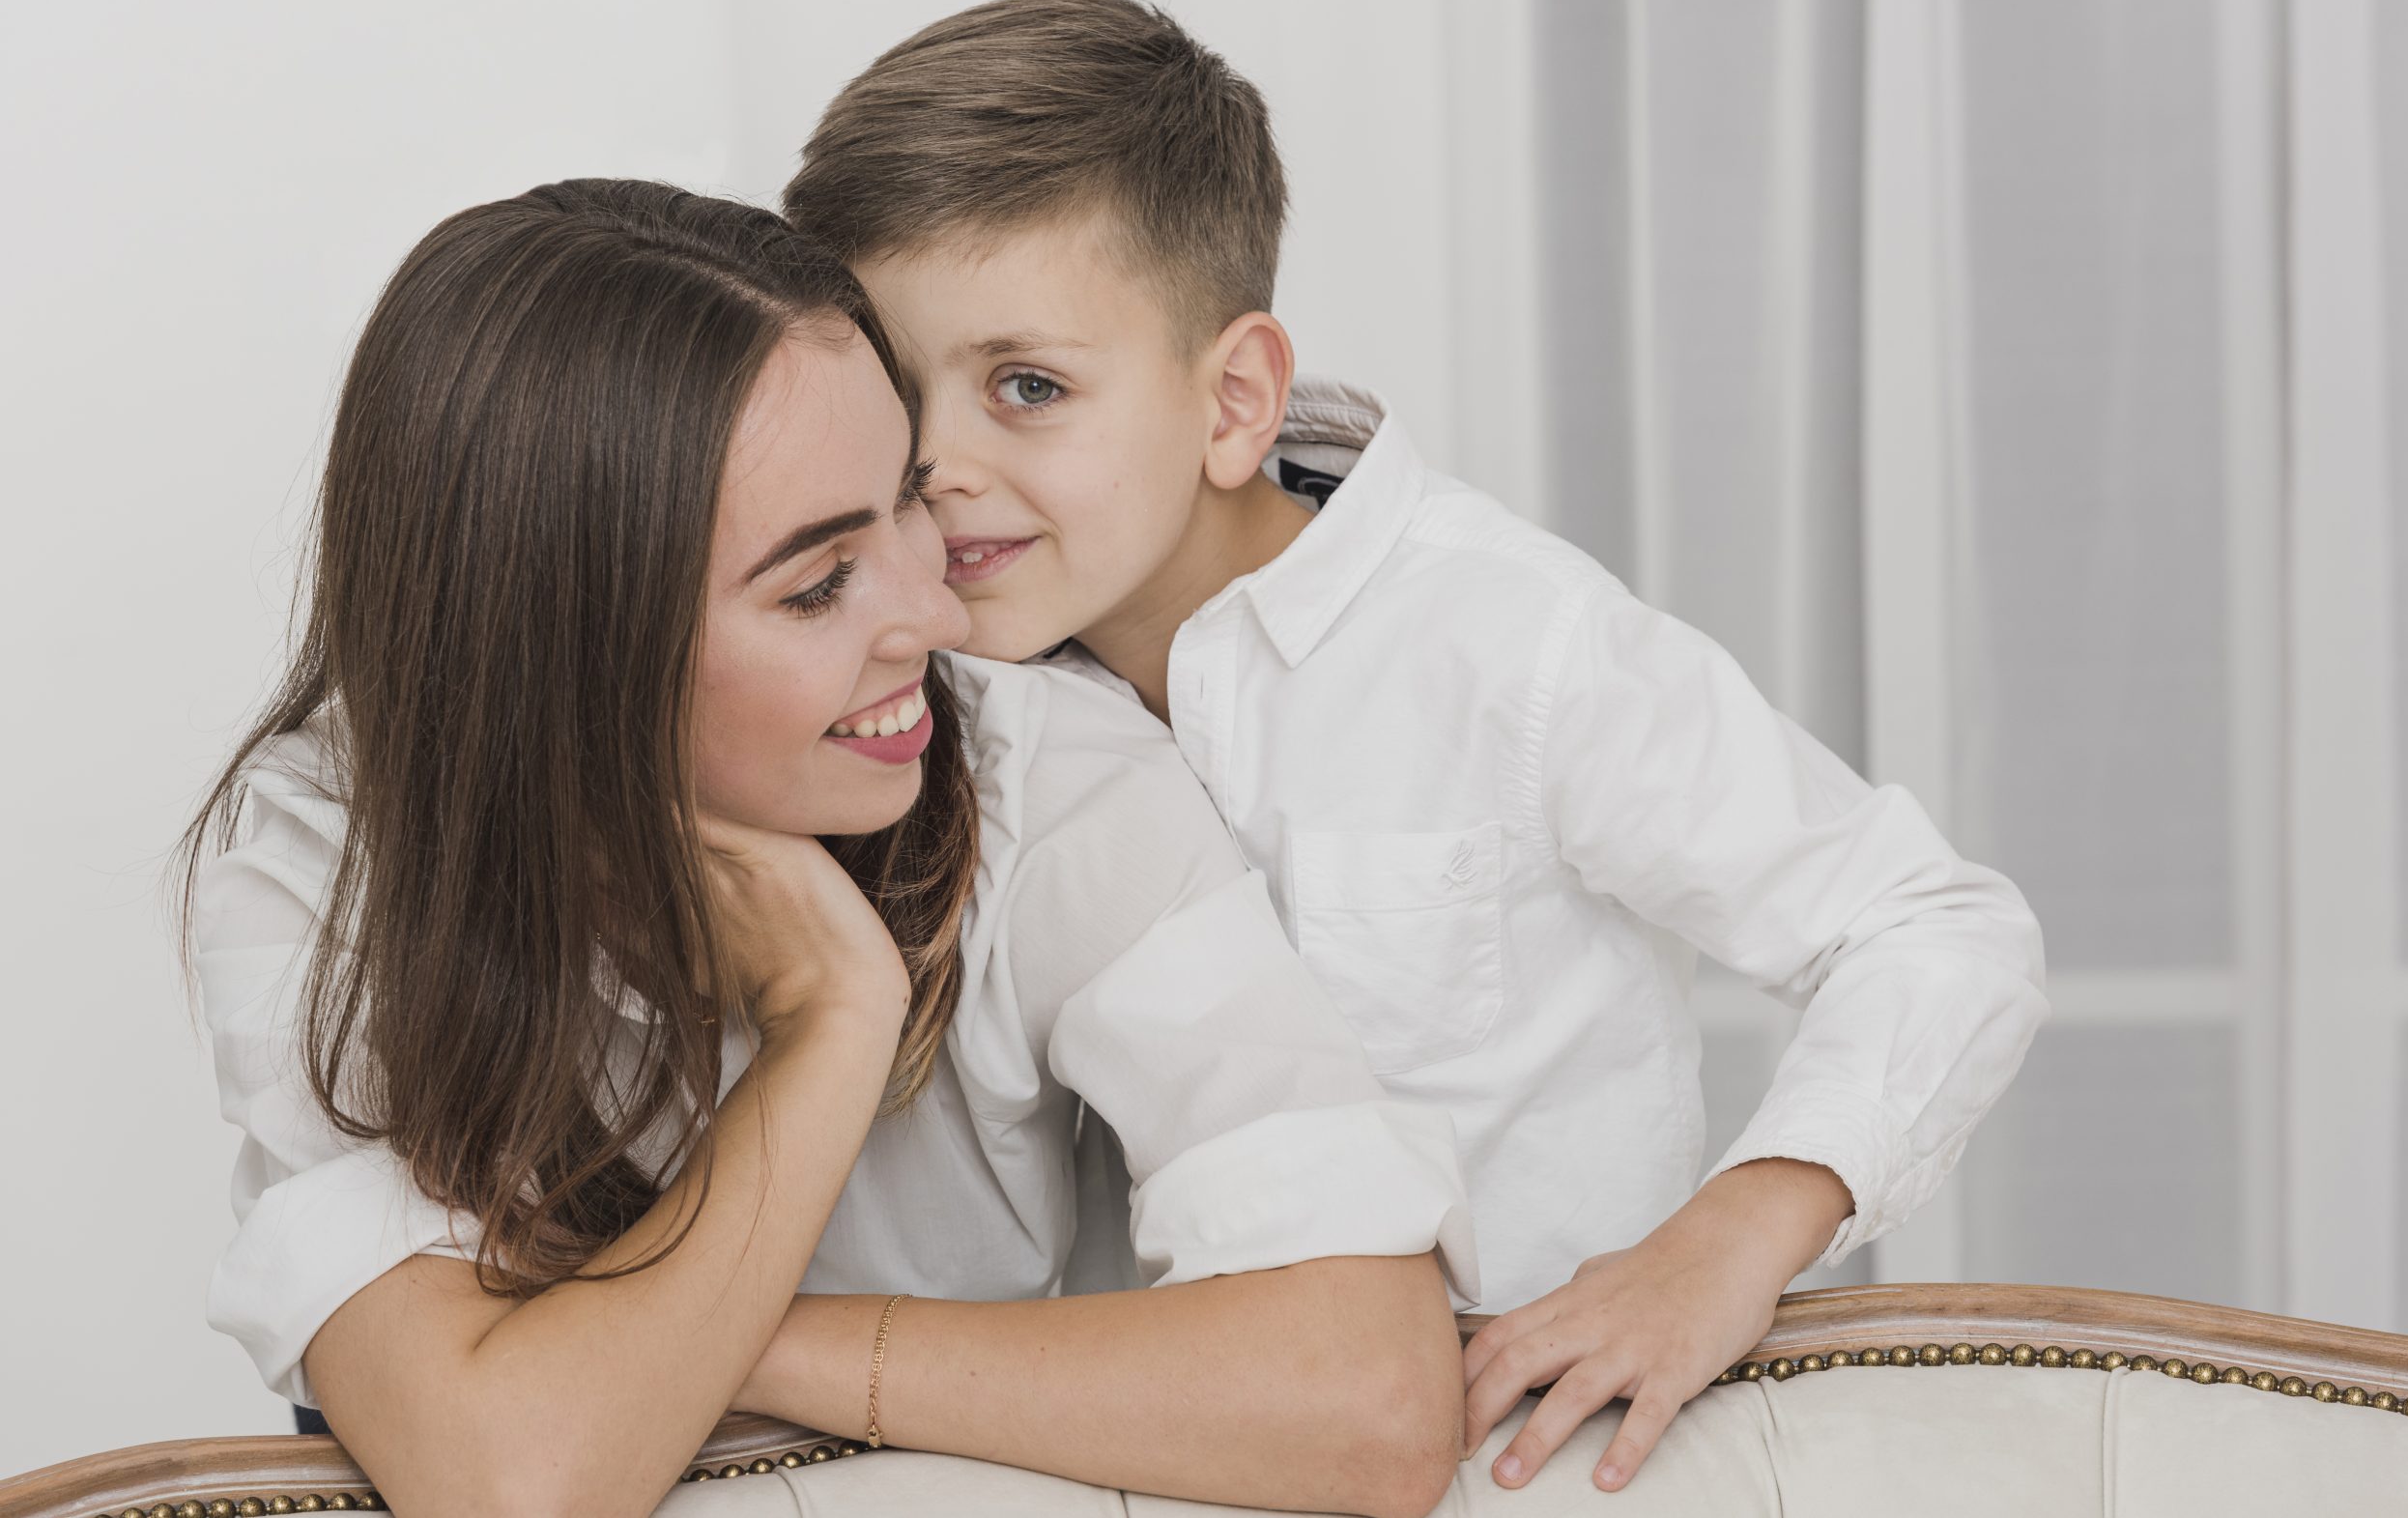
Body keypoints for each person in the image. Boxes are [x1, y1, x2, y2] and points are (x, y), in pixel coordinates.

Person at [784, 0, 2052, 1494]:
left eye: (1029, 388)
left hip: (1553, 1457)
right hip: (1167, 1460)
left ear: (1235, 399)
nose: (938, 465)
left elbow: (1935, 926)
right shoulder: (927, 704)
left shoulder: (1506, 645)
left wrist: (1726, 1242)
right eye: (893, 390)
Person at [182, 180, 1475, 1518]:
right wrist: (833, 1024)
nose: (936, 612)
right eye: (815, 585)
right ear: (566, 662)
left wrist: (692, 1353)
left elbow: (1373, 1402)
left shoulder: (1056, 781)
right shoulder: (326, 855)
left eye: (909, 501)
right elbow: (515, 1485)